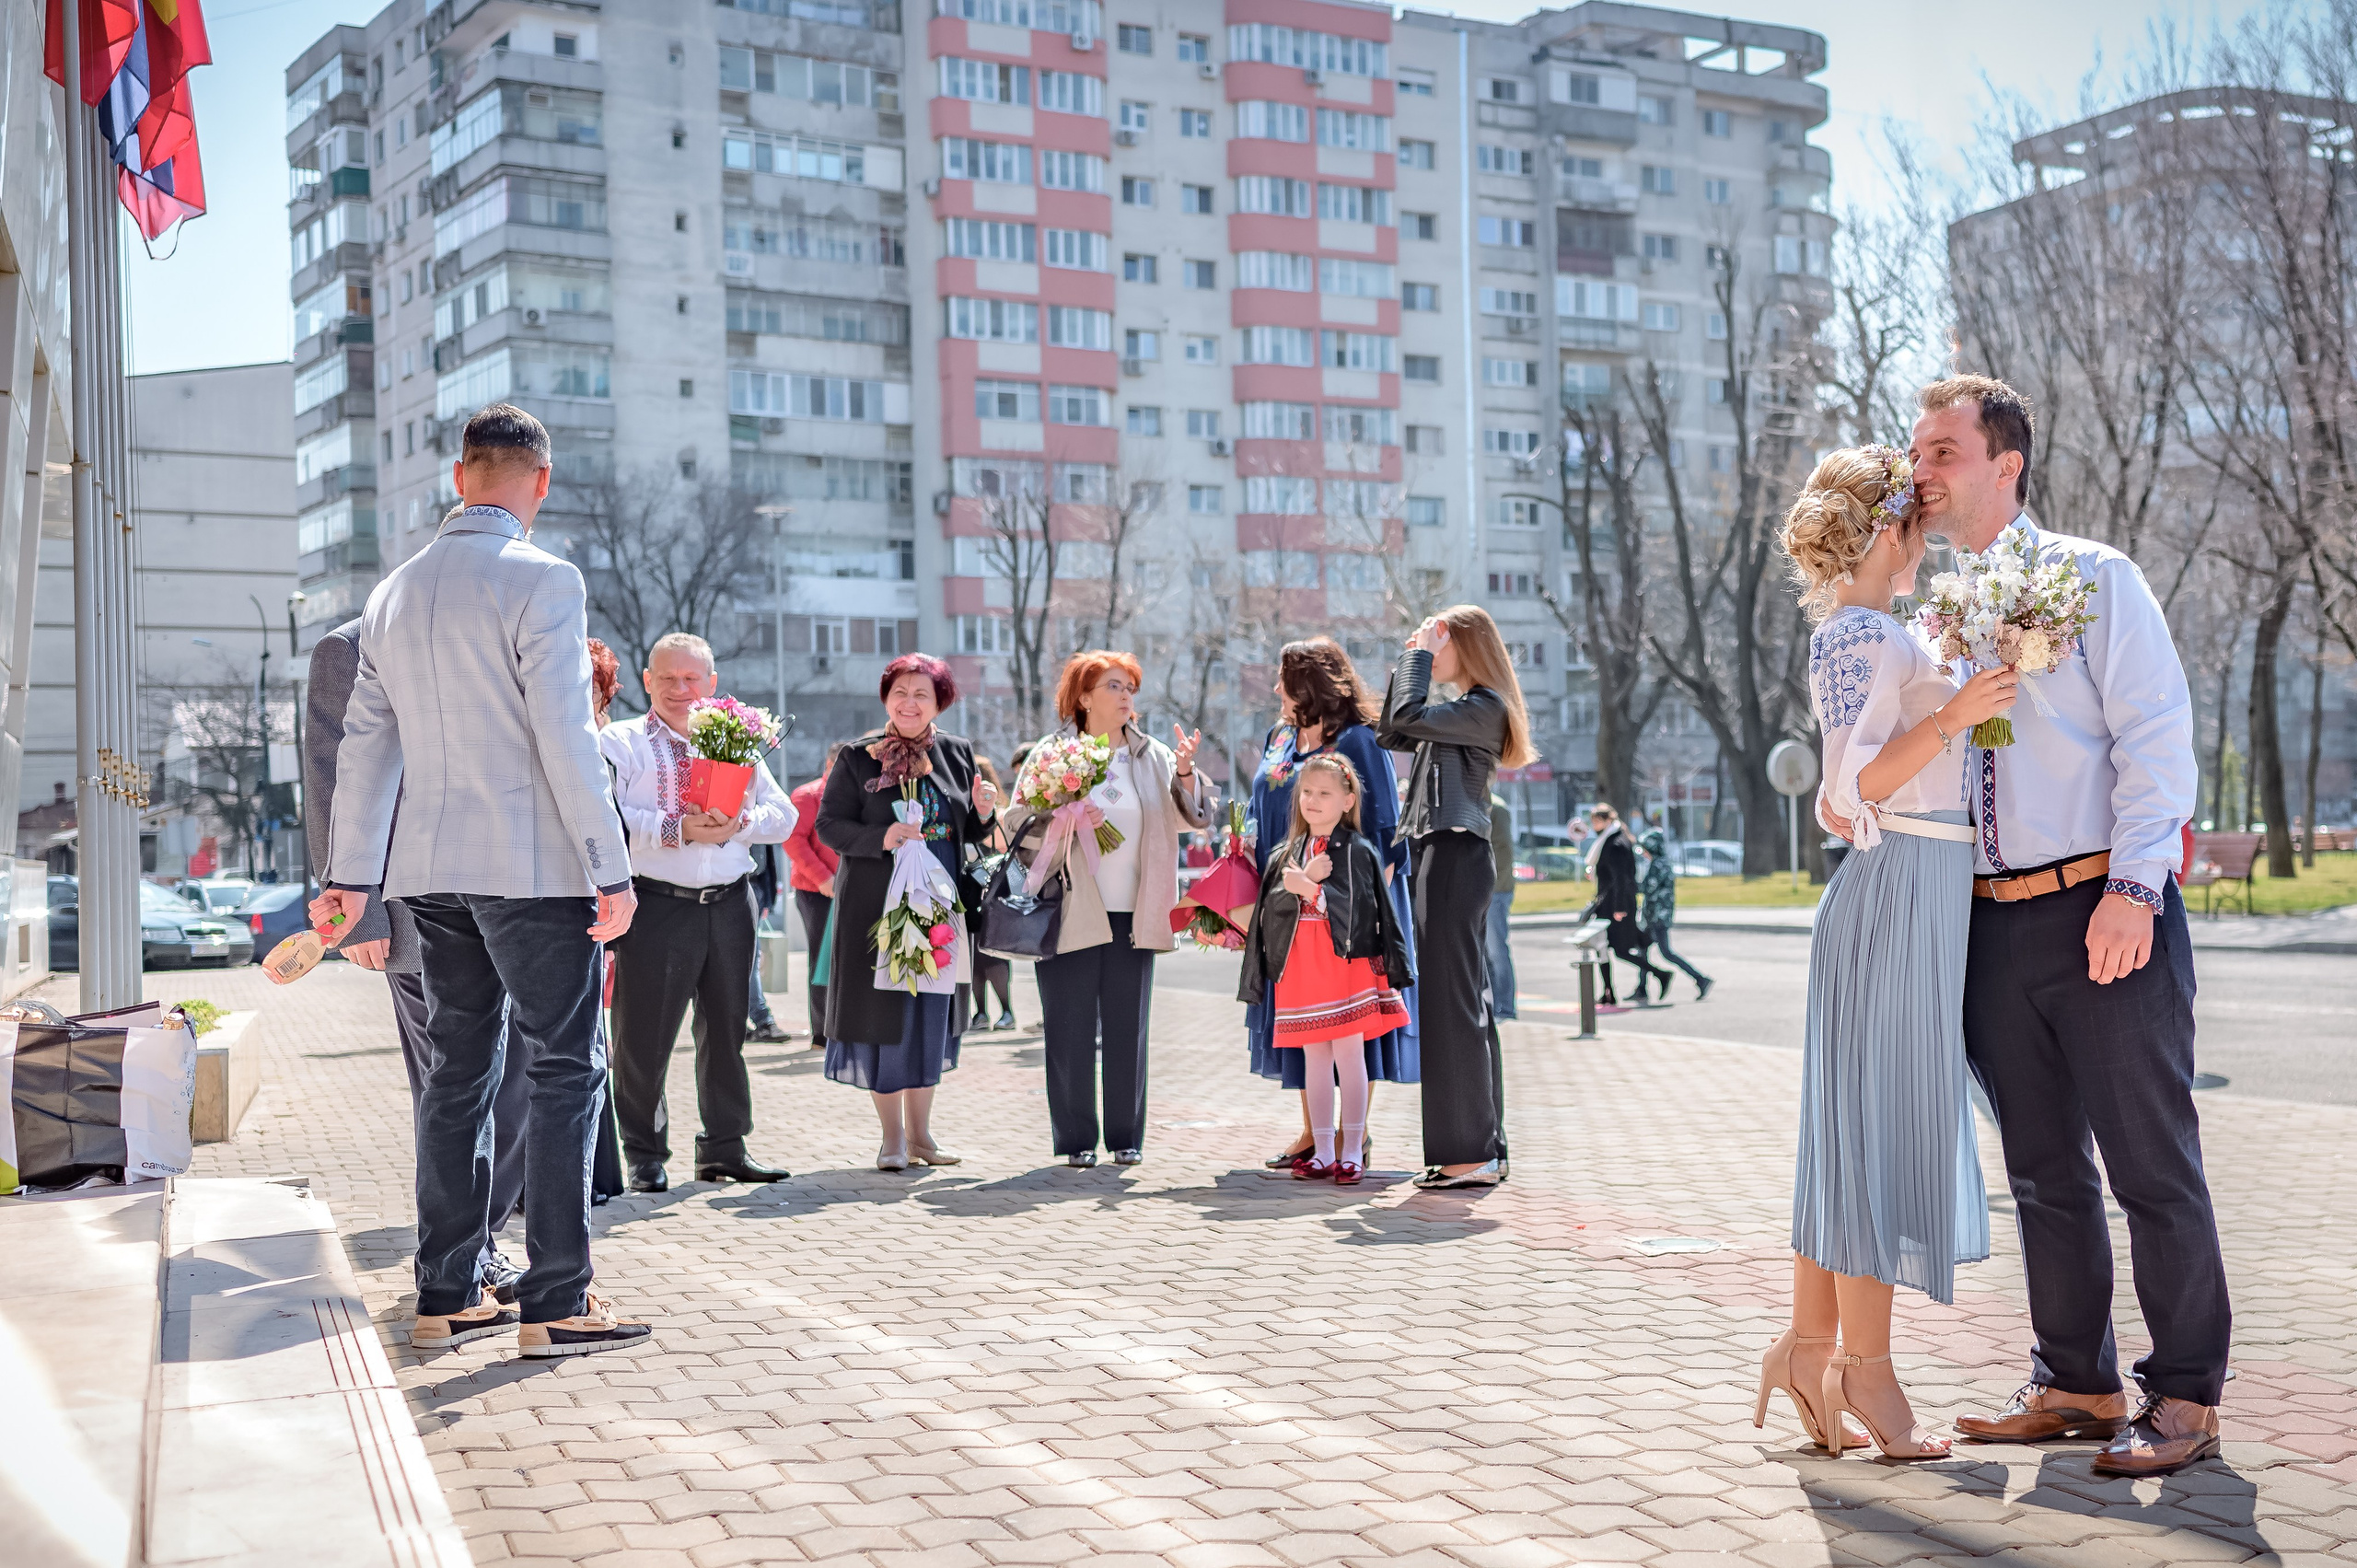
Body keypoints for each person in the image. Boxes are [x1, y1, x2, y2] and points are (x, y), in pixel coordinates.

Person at [1887, 377, 2228, 1476]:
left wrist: (2134, 888)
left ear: (2004, 465)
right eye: (1915, 452)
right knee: (2040, 1169)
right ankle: (2072, 1376)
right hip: (1989, 924)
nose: (1920, 472)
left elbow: (2155, 738)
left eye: (1941, 450)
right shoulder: (1938, 616)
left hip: (2100, 908)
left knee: (2149, 1165)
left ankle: (2182, 1393)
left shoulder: (2093, 578)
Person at [312, 402, 648, 1358]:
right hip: (531, 867)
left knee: (457, 1077)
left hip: (425, 871)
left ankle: (446, 1292)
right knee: (565, 1067)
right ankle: (555, 1299)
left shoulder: (393, 592)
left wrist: (350, 875)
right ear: (538, 482)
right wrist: (609, 864)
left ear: (461, 476)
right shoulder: (543, 577)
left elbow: (364, 745)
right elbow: (564, 733)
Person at [1762, 444, 2019, 1458]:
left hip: (1914, 888)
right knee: (1869, 1137)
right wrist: (1955, 709)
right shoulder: (1859, 632)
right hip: (1896, 887)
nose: (1923, 535)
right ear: (1882, 533)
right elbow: (1851, 785)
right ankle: (1859, 1368)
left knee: (1851, 1136)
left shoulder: (1878, 628)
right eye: (1911, 519)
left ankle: (1807, 1347)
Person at [303, 616, 527, 1301]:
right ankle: (464, 1257)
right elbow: (329, 779)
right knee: (455, 1087)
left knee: (519, 1086)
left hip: (514, 887)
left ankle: (476, 1241)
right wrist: (360, 905)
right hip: (410, 904)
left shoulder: (497, 624)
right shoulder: (350, 648)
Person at [600, 633, 796, 1192]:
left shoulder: (736, 744)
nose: (681, 690)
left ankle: (725, 1148)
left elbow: (781, 816)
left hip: (732, 903)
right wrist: (676, 828)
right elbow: (611, 819)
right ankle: (644, 1153)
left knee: (728, 1031)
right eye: (668, 679)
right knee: (643, 1037)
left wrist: (741, 825)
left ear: (712, 684)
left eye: (692, 679)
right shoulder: (622, 741)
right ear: (647, 681)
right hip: (659, 905)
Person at [1008, 651, 1214, 1167]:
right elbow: (1016, 825)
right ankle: (1076, 1139)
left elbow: (1194, 819)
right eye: (1114, 687)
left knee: (1128, 1027)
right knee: (1069, 1024)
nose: (1126, 697)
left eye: (1130, 688)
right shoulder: (1052, 754)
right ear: (1083, 697)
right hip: (1069, 907)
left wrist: (1187, 773)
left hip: (1136, 911)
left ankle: (1126, 1137)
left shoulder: (1154, 754)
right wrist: (1060, 813)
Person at [816, 654, 996, 1171]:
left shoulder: (957, 753)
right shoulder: (858, 756)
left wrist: (983, 815)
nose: (909, 703)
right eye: (900, 693)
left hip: (939, 906)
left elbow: (970, 832)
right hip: (879, 909)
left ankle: (922, 1136)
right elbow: (830, 826)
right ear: (885, 699)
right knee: (885, 1018)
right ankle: (891, 1138)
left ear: (941, 700)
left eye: (922, 693)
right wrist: (882, 837)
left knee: (928, 1018)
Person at [1376, 605, 1533, 1191]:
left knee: (1455, 1004)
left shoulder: (1484, 707)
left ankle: (1470, 1152)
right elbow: (1393, 727)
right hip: (1441, 855)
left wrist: (1415, 657)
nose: (1426, 650)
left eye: (1438, 640)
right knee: (1457, 1002)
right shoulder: (1462, 710)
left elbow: (1405, 714)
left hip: (1457, 855)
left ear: (1464, 645)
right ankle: (1478, 1149)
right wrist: (1414, 654)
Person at [1247, 637, 1417, 1172]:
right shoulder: (1279, 736)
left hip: (1344, 903)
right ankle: (1312, 1134)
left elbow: (1387, 832)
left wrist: (1359, 914)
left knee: (1344, 1020)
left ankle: (1351, 1138)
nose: (1276, 688)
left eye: (1284, 678)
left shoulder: (1360, 741)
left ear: (1310, 684)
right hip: (1286, 898)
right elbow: (1261, 807)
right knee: (1302, 1018)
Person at [783, 745, 841, 1052]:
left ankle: (845, 1027)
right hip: (816, 892)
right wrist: (823, 879)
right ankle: (821, 1033)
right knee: (822, 959)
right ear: (830, 764)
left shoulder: (857, 795)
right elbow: (793, 842)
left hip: (850, 891)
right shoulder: (807, 797)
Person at [1584, 806, 1671, 1006]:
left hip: (1617, 907)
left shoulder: (1616, 843)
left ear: (1607, 820)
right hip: (1610, 905)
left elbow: (1622, 879)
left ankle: (1661, 974)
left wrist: (1620, 908)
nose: (1594, 825)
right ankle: (1609, 992)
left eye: (1597, 820)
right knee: (1602, 946)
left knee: (1620, 949)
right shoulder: (1610, 840)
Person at [965, 755, 1018, 1031]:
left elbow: (999, 846)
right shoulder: (966, 812)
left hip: (993, 890)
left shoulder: (996, 813)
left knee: (993, 954)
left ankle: (1006, 1012)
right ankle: (981, 1013)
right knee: (975, 955)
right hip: (971, 891)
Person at [1637, 829, 1712, 1000]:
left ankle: (1700, 978)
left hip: (1658, 918)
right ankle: (1641, 988)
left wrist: (1628, 885)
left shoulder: (1658, 865)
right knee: (1642, 950)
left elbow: (1647, 888)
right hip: (1654, 917)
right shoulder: (1661, 863)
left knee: (1666, 953)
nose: (1644, 853)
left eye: (1645, 849)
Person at [745, 841, 791, 1044]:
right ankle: (762, 1019)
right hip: (738, 885)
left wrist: (768, 896)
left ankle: (757, 1019)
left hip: (755, 887)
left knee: (750, 959)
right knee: (749, 959)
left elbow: (766, 854)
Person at [1486, 794, 1517, 1019]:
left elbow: (1502, 852)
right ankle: (1493, 1004)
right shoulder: (1482, 803)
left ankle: (1505, 1006)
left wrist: (1490, 887)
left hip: (1494, 891)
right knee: (1486, 953)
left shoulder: (1496, 808)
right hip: (1484, 890)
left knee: (1496, 951)